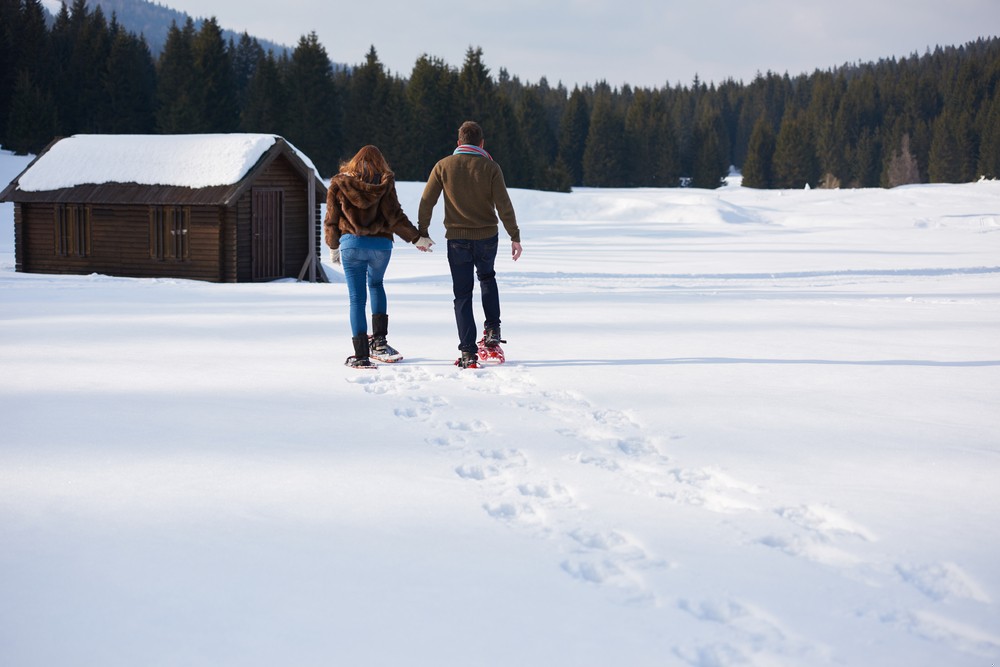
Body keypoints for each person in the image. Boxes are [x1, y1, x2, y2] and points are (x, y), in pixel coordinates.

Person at [418, 121, 522, 368]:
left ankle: (467, 352)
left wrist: (422, 232)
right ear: (481, 143)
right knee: (487, 278)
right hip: (487, 237)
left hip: (457, 240)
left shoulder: (443, 166)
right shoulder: (491, 167)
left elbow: (426, 201)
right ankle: (492, 331)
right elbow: (504, 205)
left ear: (458, 143)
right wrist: (514, 235)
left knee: (462, 294)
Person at [325, 145, 434, 369]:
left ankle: (361, 356)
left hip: (351, 245)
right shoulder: (384, 183)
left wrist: (333, 246)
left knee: (356, 299)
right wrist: (417, 239)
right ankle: (380, 342)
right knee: (376, 285)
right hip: (381, 246)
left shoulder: (339, 183)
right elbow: (395, 217)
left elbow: (331, 220)